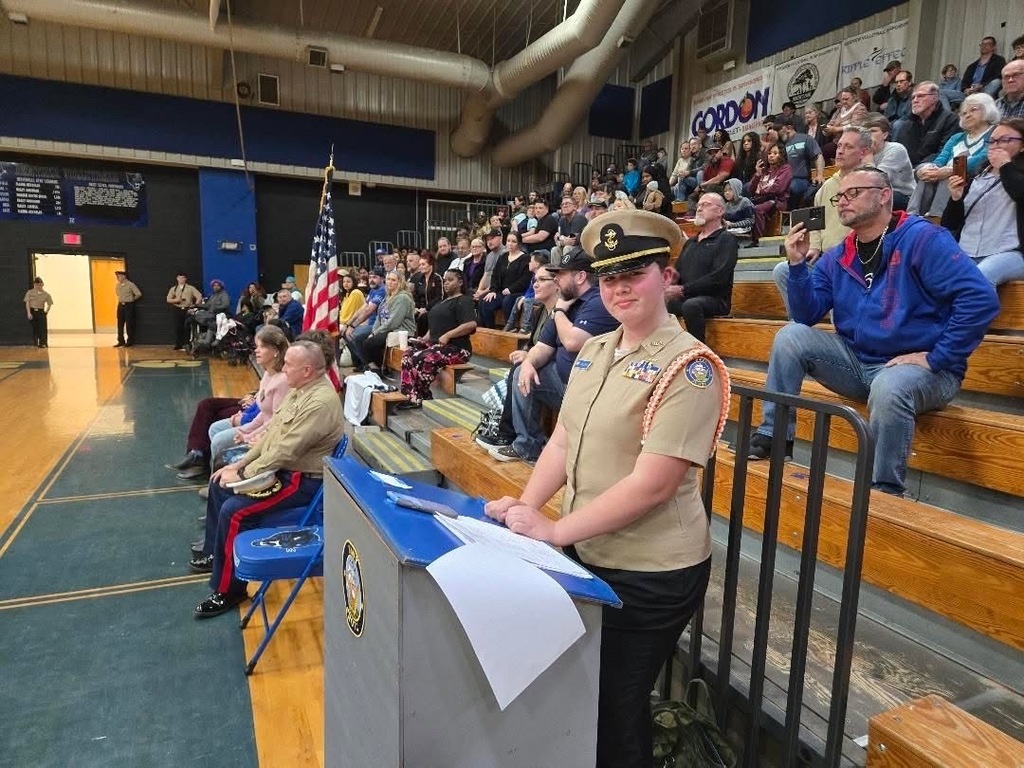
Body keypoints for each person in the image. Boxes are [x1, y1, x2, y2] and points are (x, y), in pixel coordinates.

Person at [484, 209, 729, 768]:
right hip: (589, 551)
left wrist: (553, 530)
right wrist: (525, 509)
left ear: (664, 277)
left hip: (651, 573)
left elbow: (653, 487)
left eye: (634, 274)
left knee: (614, 711)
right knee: (587, 699)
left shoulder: (691, 367)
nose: (620, 289)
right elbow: (564, 440)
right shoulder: (594, 350)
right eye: (609, 277)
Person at [746, 165, 1000, 496]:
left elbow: (981, 298)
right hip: (858, 363)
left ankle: (886, 490)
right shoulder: (840, 254)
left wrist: (939, 357)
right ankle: (775, 435)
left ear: (883, 196)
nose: (842, 202)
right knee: (789, 337)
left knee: (890, 387)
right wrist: (795, 266)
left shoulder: (922, 238)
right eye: (840, 196)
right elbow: (806, 315)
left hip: (926, 372)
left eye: (854, 193)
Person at [190, 340, 344, 619]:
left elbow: (286, 451)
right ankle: (217, 553)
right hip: (285, 470)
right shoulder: (301, 391)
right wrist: (240, 464)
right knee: (218, 485)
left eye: (288, 365)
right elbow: (271, 435)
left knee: (235, 511)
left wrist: (244, 475)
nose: (283, 369)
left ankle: (230, 591)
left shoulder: (320, 402)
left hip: (302, 481)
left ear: (307, 370)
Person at [490, 248, 618, 463]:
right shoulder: (566, 302)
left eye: (561, 274)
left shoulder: (596, 302)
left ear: (580, 276)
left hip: (589, 392)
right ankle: (527, 446)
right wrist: (529, 363)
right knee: (521, 371)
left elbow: (572, 342)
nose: (557, 279)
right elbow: (542, 347)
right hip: (563, 382)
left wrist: (558, 312)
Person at [772, 126, 874, 315]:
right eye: (839, 145)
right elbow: (817, 223)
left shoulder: (873, 184)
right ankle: (799, 322)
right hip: (825, 259)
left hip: (856, 261)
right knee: (782, 270)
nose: (840, 150)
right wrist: (815, 247)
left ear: (864, 152)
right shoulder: (826, 187)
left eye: (848, 147)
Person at [180, 324, 291, 479]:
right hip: (252, 414)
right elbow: (261, 408)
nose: (256, 351)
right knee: (208, 409)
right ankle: (199, 457)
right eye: (256, 346)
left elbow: (275, 420)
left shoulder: (282, 381)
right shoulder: (267, 374)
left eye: (261, 347)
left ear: (275, 352)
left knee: (217, 432)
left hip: (265, 431)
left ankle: (214, 477)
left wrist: (247, 430)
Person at [943, 118, 1024, 287]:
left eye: (1005, 140)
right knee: (938, 282)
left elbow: (1019, 192)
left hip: (1009, 252)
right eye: (992, 140)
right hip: (967, 250)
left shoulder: (1017, 175)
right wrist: (956, 198)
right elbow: (950, 223)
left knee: (979, 279)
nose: (996, 145)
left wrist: (1005, 166)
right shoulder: (977, 177)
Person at [907, 92, 998, 217]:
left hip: (974, 179)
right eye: (964, 113)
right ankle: (912, 216)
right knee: (927, 171)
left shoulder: (994, 133)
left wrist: (952, 170)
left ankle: (936, 217)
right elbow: (941, 159)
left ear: (988, 110)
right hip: (945, 175)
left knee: (953, 177)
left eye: (973, 110)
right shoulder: (957, 137)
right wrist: (933, 169)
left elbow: (983, 158)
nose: (967, 115)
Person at [397, 268, 477, 409]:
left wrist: (448, 335)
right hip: (436, 346)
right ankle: (410, 395)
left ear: (460, 282)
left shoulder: (464, 300)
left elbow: (470, 325)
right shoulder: (442, 302)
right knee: (407, 354)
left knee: (421, 358)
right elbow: (434, 327)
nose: (446, 283)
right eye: (445, 280)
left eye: (450, 280)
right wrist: (424, 338)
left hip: (457, 348)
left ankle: (421, 396)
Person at [665, 193, 738, 343]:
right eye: (698, 205)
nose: (699, 209)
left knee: (691, 305)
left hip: (716, 300)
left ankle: (699, 352)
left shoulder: (726, 240)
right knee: (663, 303)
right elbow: (678, 272)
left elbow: (719, 277)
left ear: (720, 211)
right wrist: (669, 284)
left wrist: (683, 290)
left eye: (705, 205)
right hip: (689, 297)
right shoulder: (690, 243)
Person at [356, 270, 416, 372]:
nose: (390, 282)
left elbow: (394, 322)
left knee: (369, 343)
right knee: (359, 338)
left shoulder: (403, 297)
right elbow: (379, 317)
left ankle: (379, 369)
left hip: (400, 331)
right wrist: (374, 331)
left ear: (400, 282)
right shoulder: (387, 296)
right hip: (387, 329)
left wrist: (375, 333)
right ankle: (373, 367)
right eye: (388, 279)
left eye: (393, 280)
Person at [862, 113, 916, 211]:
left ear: (885, 134)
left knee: (874, 197)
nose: (868, 135)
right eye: (865, 132)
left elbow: (879, 181)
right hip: (877, 192)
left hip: (903, 196)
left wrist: (868, 157)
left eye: (873, 131)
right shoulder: (861, 151)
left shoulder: (896, 149)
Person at [901, 81, 961, 168]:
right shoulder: (906, 122)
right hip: (909, 171)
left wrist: (919, 169)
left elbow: (944, 152)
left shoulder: (950, 119)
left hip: (933, 169)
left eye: (920, 96)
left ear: (935, 98)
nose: (915, 100)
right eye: (913, 97)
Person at [478, 232, 531, 328]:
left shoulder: (525, 258)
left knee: (507, 301)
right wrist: (493, 290)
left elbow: (525, 280)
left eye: (514, 241)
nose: (510, 244)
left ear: (519, 243)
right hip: (501, 291)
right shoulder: (503, 257)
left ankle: (510, 328)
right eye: (508, 241)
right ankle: (489, 330)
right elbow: (495, 275)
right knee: (485, 301)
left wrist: (511, 289)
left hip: (517, 291)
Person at [341, 267, 386, 369]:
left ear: (382, 279)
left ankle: (372, 366)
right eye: (370, 277)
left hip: (378, 325)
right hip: (371, 323)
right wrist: (348, 324)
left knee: (355, 334)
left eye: (375, 277)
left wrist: (353, 326)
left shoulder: (382, 290)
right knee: (345, 332)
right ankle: (363, 363)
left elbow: (369, 310)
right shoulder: (373, 291)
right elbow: (362, 308)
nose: (371, 280)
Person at [748, 143, 792, 246]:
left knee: (758, 209)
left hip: (778, 201)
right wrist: (757, 174)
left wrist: (761, 191)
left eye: (775, 153)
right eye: (769, 153)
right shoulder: (764, 171)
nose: (771, 156)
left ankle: (757, 241)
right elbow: (751, 190)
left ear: (781, 155)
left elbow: (778, 188)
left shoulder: (786, 168)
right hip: (763, 200)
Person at [166, 272, 203, 351]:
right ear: (177, 278)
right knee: (178, 327)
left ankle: (187, 344)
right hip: (177, 309)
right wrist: (176, 300)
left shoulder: (190, 288)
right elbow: (168, 299)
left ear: (185, 279)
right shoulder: (174, 288)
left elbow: (199, 296)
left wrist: (196, 304)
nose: (181, 279)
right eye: (179, 278)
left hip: (187, 309)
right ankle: (178, 344)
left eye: (183, 278)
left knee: (187, 327)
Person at [410, 251, 443, 337]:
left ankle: (424, 341)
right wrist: (417, 308)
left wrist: (426, 308)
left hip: (434, 309)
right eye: (420, 264)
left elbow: (440, 297)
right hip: (421, 309)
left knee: (424, 317)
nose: (420, 267)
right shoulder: (419, 279)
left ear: (430, 265)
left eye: (423, 264)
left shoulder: (437, 278)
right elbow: (416, 297)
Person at [113, 270, 142, 347]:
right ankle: (120, 341)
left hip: (128, 305)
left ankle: (130, 341)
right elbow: (117, 294)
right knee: (120, 323)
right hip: (120, 305)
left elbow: (138, 294)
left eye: (119, 276)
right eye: (117, 276)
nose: (118, 278)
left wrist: (132, 300)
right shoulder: (118, 285)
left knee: (129, 324)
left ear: (124, 276)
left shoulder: (130, 284)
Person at [24, 277, 54, 348]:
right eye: (36, 285)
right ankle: (34, 342)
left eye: (39, 285)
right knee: (34, 327)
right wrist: (28, 312)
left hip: (41, 312)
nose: (38, 286)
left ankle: (43, 343)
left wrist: (46, 312)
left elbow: (49, 304)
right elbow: (27, 302)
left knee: (42, 328)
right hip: (32, 311)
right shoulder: (30, 292)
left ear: (42, 284)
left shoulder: (46, 294)